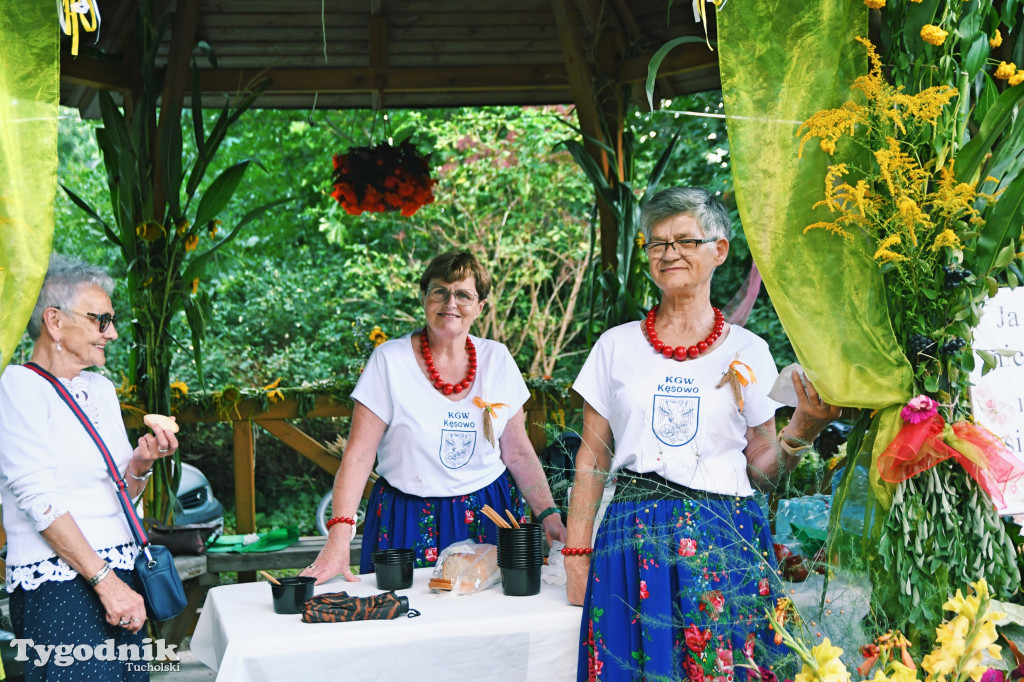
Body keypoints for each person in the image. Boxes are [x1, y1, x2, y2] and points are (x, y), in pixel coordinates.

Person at [564, 188, 841, 681]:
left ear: (720, 250)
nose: (669, 253)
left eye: (685, 240)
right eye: (657, 243)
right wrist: (577, 555)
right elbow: (590, 459)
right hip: (632, 538)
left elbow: (761, 466)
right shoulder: (615, 346)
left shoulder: (750, 350)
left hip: (725, 535)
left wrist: (800, 430)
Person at [304, 251, 566, 583]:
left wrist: (550, 516)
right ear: (425, 297)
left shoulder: (497, 359)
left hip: (488, 513)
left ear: (480, 306)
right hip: (406, 516)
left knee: (487, 620)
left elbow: (517, 451)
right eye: (439, 290)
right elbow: (358, 456)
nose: (450, 302)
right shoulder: (389, 361)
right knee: (403, 619)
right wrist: (338, 539)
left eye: (463, 294)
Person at [0, 254, 178, 681]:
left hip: (120, 573)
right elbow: (39, 502)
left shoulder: (100, 389)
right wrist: (107, 585)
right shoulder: (16, 386)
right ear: (54, 322)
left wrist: (139, 465)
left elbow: (118, 495)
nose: (111, 333)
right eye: (101, 320)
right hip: (61, 585)